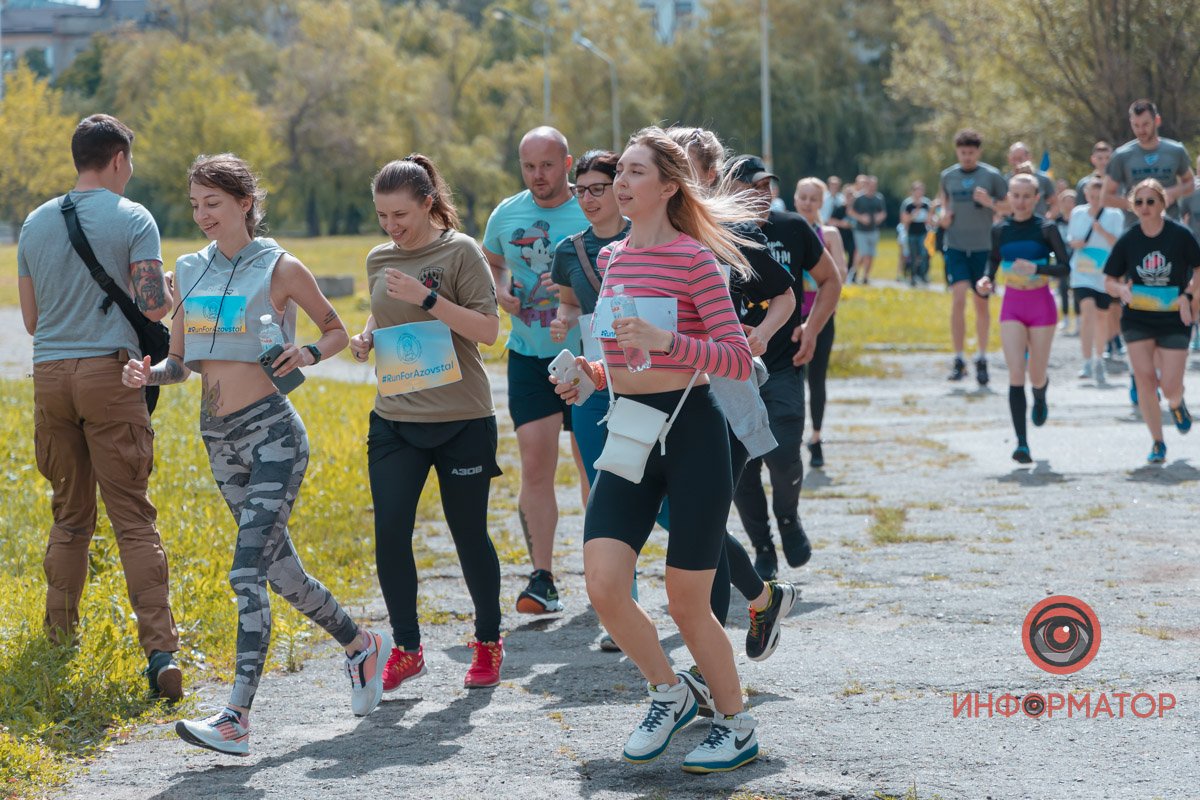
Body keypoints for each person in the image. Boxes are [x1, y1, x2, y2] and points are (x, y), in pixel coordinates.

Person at [122, 154, 389, 755]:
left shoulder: (280, 266)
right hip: (218, 440)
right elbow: (181, 363)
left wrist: (309, 354)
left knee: (246, 572)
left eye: (213, 203)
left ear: (245, 203)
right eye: (195, 205)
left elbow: (335, 330)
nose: (202, 215)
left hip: (273, 434)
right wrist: (148, 374)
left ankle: (236, 717)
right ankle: (360, 644)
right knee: (280, 571)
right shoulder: (189, 270)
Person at [552, 127, 759, 773]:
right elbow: (621, 358)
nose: (621, 183)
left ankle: (737, 725)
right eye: (621, 172)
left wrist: (670, 344)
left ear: (669, 187)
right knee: (604, 585)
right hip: (631, 428)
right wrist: (589, 375)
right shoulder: (614, 258)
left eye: (635, 172)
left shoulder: (694, 259)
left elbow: (736, 359)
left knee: (686, 603)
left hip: (694, 432)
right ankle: (670, 692)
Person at [17, 114, 182, 701]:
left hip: (50, 376)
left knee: (69, 517)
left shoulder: (34, 222)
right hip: (110, 375)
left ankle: (59, 640)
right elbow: (153, 307)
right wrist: (169, 290)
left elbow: (32, 320)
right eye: (128, 161)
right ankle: (160, 652)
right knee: (132, 518)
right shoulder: (133, 217)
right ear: (117, 159)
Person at [349, 156, 504, 692]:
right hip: (395, 418)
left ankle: (488, 642)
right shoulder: (378, 257)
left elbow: (488, 331)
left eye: (400, 215)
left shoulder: (460, 251)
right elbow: (384, 309)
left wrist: (429, 298)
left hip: (462, 419)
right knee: (391, 533)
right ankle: (408, 648)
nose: (391, 226)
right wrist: (366, 336)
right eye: (382, 216)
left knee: (468, 534)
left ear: (428, 204)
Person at [482, 126, 590, 616]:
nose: (538, 175)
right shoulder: (507, 213)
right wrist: (500, 288)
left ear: (567, 164)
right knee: (535, 464)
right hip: (529, 356)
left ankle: (605, 576)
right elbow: (493, 262)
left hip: (588, 359)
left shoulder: (591, 209)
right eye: (529, 166)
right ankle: (542, 577)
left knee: (593, 465)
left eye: (547, 165)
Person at [1103, 179, 1200, 463]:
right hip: (1138, 318)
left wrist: (1188, 295)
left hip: (1173, 317)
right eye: (1139, 202)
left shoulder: (1179, 235)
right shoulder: (1129, 238)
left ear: (1162, 204)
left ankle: (1176, 402)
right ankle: (1158, 442)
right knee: (1145, 380)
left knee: (1169, 386)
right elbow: (1109, 280)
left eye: (1150, 201)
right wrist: (1120, 290)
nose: (1144, 207)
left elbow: (1198, 269)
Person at [976, 174, 1070, 463]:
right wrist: (986, 280)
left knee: (1036, 374)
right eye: (1015, 195)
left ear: (1036, 198)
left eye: (1026, 196)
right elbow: (993, 262)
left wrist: (1037, 269)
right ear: (1008, 197)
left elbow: (1065, 267)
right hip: (1013, 305)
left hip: (1041, 305)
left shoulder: (1046, 229)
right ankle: (1022, 444)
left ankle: (1040, 394)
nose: (1020, 201)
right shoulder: (1000, 230)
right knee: (1016, 372)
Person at [939, 129, 1009, 384]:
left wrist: (990, 202)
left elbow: (1010, 206)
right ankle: (959, 359)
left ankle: (981, 357)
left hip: (983, 248)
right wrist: (943, 217)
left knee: (981, 303)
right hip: (956, 246)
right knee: (958, 298)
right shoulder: (948, 176)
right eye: (962, 152)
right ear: (957, 151)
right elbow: (943, 204)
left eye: (971, 152)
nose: (967, 157)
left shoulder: (991, 176)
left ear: (979, 152)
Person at [793, 177, 849, 471]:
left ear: (822, 203)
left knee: (817, 377)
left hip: (821, 314)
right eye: (803, 197)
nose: (807, 203)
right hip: (791, 315)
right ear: (795, 198)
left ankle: (815, 437)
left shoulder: (829, 234)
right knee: (790, 377)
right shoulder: (787, 230)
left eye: (813, 198)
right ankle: (790, 436)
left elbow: (839, 273)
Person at [1067, 178, 1126, 384]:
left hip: (1104, 274)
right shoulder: (1078, 212)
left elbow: (1118, 243)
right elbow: (1071, 239)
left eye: (1098, 196)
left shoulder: (1114, 215)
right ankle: (1086, 361)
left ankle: (1099, 359)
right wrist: (1077, 243)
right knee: (1088, 311)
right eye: (1091, 195)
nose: (1094, 200)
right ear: (1085, 194)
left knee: (1102, 317)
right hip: (1081, 273)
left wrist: (1102, 231)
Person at [1103, 99, 1195, 224]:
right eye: (1136, 125)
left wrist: (1172, 193)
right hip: (1135, 227)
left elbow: (1190, 183)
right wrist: (1138, 203)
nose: (1141, 130)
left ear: (1157, 121)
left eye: (1145, 124)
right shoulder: (1121, 155)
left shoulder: (1175, 151)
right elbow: (1106, 197)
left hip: (1170, 226)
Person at [849, 176, 886, 284]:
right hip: (860, 231)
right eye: (870, 185)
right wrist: (861, 218)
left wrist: (879, 217)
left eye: (874, 185)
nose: (872, 187)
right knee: (863, 253)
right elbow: (850, 211)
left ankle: (865, 276)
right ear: (866, 185)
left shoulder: (879, 198)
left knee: (871, 254)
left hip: (873, 230)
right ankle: (854, 272)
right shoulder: (859, 198)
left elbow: (883, 213)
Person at [1006, 142, 1057, 216]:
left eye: (1020, 158)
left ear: (1028, 157)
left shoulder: (1043, 179)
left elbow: (1055, 203)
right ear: (1009, 159)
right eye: (1014, 159)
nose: (1017, 162)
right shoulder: (1005, 180)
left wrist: (1048, 219)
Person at [901, 181, 933, 285]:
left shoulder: (926, 204)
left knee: (923, 254)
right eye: (917, 190)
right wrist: (913, 216)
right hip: (912, 233)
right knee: (913, 255)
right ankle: (913, 276)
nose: (919, 192)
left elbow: (929, 220)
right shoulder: (908, 205)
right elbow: (904, 221)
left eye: (921, 190)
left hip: (923, 233)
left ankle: (923, 275)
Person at [828, 184, 857, 270]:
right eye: (847, 195)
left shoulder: (857, 209)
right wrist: (842, 223)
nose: (849, 197)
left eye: (851, 195)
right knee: (839, 255)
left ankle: (850, 272)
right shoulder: (839, 208)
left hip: (852, 236)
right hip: (840, 236)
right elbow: (830, 221)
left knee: (853, 254)